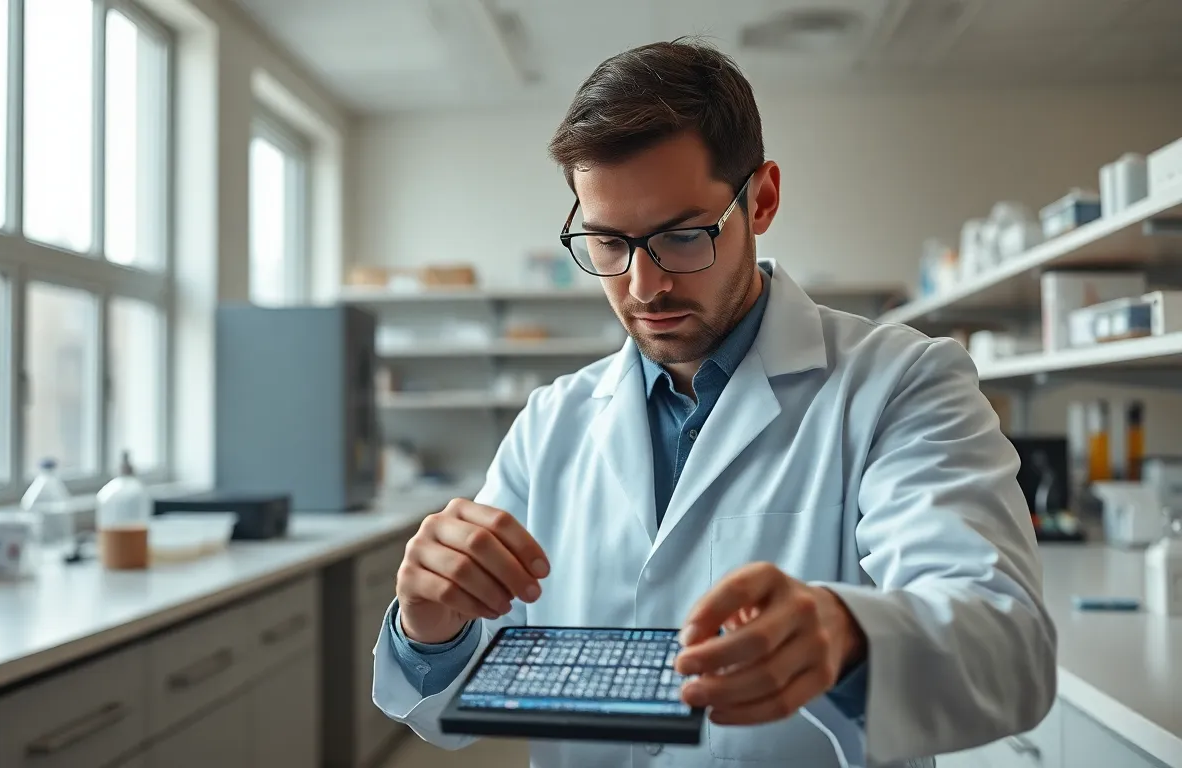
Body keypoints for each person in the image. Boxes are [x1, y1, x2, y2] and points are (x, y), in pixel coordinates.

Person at [371, 39, 1056, 768]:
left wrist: (849, 635)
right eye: (607, 243)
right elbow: (466, 687)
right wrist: (430, 629)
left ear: (761, 200)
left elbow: (1007, 645)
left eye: (681, 236)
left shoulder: (900, 384)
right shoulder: (551, 423)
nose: (644, 287)